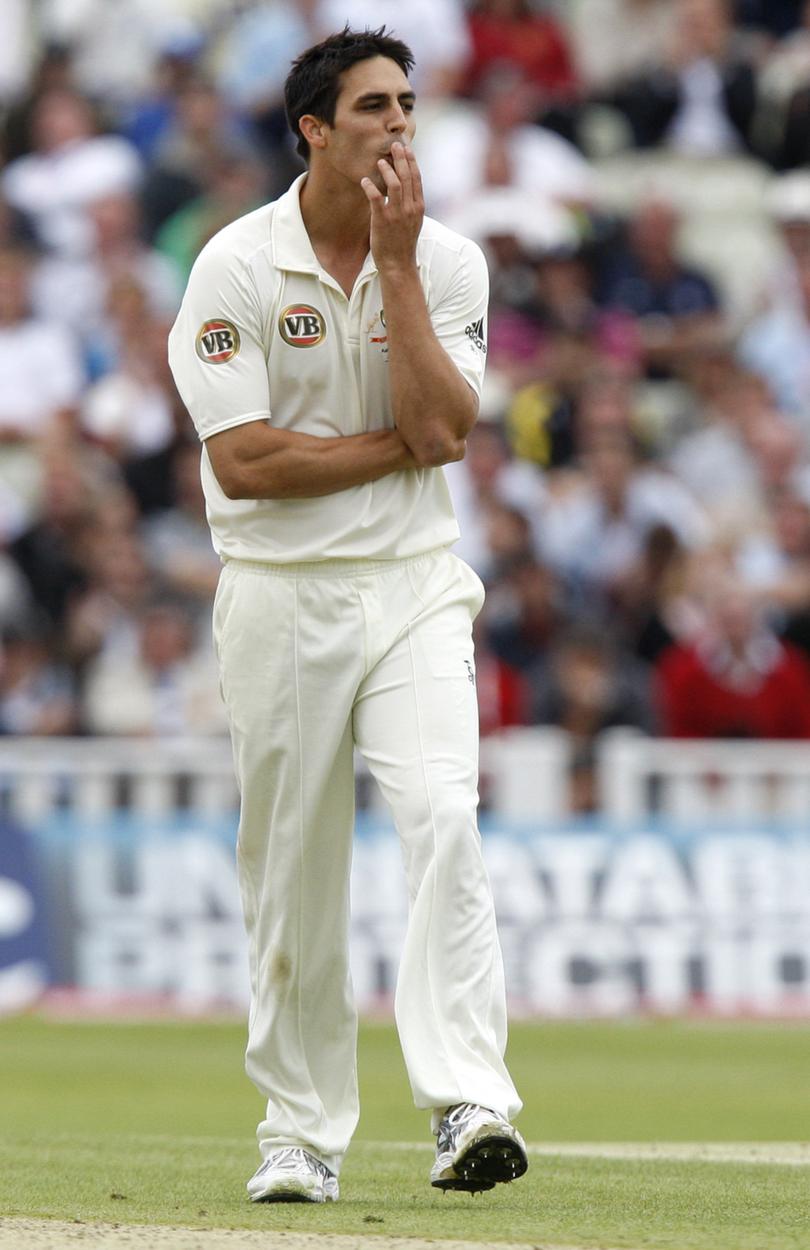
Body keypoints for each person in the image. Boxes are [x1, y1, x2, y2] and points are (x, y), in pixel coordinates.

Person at [168, 27, 526, 1206]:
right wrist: (399, 449)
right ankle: (301, 1131)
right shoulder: (232, 266)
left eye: (409, 105)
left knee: (443, 814)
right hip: (278, 594)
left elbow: (451, 426)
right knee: (293, 870)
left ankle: (468, 1095)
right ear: (315, 129)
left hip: (416, 583)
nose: (400, 126)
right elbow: (250, 461)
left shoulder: (452, 261)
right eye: (374, 107)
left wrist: (401, 263)